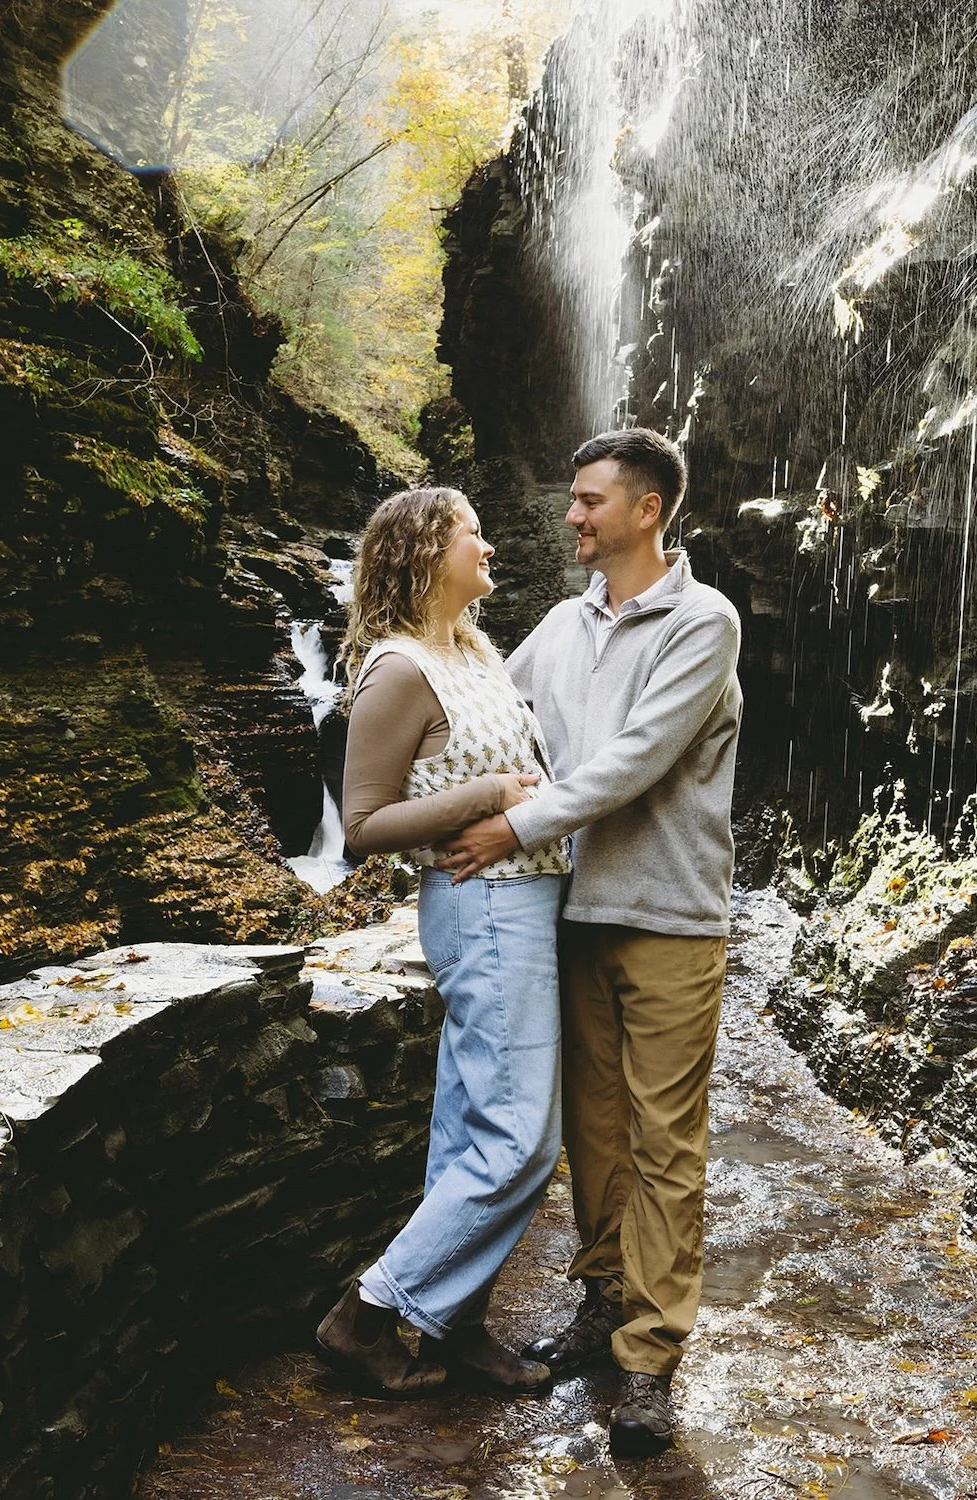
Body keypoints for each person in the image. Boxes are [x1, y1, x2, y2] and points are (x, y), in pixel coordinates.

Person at [435, 429, 742, 1455]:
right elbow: (494, 709)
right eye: (573, 499)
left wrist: (508, 826)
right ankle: (605, 1303)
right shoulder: (561, 627)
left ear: (645, 509)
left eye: (588, 500)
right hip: (570, 913)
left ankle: (652, 1358)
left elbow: (634, 762)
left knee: (666, 1143)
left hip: (667, 917)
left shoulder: (704, 623)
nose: (570, 515)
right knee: (596, 1139)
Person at [313, 486, 572, 1398]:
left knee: (470, 1133)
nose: (490, 543)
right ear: (428, 552)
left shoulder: (466, 648)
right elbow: (363, 825)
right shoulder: (396, 671)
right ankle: (369, 1314)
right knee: (522, 1141)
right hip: (485, 908)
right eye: (473, 531)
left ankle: (455, 1324)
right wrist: (493, 798)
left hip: (522, 905)